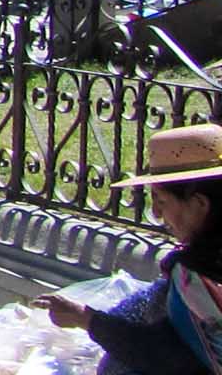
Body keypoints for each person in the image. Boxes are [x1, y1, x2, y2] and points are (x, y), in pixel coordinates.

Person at [37, 122, 222, 372]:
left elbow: (169, 359)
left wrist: (88, 320)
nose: (156, 213)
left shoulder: (199, 280)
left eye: (162, 200)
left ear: (199, 204)